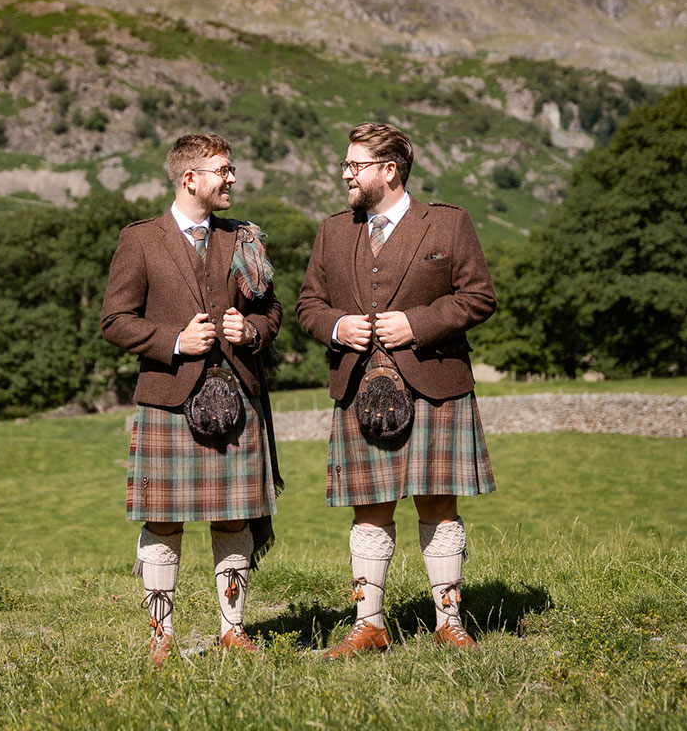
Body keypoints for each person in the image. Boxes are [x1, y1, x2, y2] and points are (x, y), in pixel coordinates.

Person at [295, 122, 496, 659]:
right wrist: (338, 327)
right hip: (359, 383)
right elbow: (308, 305)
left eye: (354, 165)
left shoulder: (448, 225)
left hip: (434, 382)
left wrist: (419, 324)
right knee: (369, 506)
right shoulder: (333, 231)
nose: (345, 174)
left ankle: (449, 621)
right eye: (346, 164)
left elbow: (478, 298)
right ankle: (369, 625)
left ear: (389, 170)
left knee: (438, 502)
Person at [101, 133, 283, 668]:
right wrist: (175, 341)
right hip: (168, 398)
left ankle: (233, 630)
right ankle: (161, 637)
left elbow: (272, 311)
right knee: (163, 520)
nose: (232, 178)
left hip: (237, 398)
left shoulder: (243, 237)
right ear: (190, 179)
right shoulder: (141, 241)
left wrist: (250, 331)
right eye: (222, 170)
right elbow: (114, 321)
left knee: (234, 517)